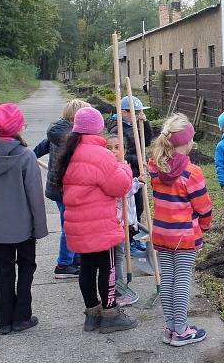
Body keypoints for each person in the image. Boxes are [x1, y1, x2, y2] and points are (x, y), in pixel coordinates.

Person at [56, 106, 138, 333]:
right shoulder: (101, 155)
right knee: (108, 267)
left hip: (78, 224)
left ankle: (92, 314)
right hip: (101, 225)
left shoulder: (69, 153)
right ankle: (110, 314)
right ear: (98, 130)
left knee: (87, 268)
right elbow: (120, 186)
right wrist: (124, 168)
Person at [0, 103, 48, 335]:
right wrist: (40, 228)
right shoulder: (26, 156)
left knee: (4, 271)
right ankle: (22, 316)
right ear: (21, 126)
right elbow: (35, 196)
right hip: (24, 228)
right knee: (26, 269)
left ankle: (4, 321)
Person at [147, 113, 212, 347]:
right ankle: (182, 330)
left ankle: (171, 329)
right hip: (184, 235)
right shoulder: (191, 172)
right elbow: (203, 207)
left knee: (168, 280)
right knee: (182, 281)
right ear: (188, 141)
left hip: (162, 233)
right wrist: (204, 226)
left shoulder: (154, 166)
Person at [32, 99, 90, 279]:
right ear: (77, 118)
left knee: (73, 224)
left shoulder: (55, 134)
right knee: (70, 227)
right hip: (66, 189)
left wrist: (26, 157)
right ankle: (64, 264)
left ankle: (75, 258)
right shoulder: (73, 138)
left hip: (58, 189)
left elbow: (34, 153)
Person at [109, 95, 152, 253]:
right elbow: (122, 155)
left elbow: (146, 141)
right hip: (128, 171)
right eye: (137, 112)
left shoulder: (134, 124)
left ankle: (134, 236)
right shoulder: (118, 129)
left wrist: (145, 124)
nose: (139, 114)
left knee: (138, 206)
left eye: (141, 112)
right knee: (128, 208)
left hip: (136, 171)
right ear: (125, 112)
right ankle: (129, 240)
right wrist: (138, 161)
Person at [104, 134, 141, 307]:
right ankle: (117, 290)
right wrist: (137, 183)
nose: (113, 151)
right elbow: (122, 191)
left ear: (124, 150)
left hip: (125, 219)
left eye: (117, 147)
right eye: (109, 148)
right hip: (116, 220)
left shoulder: (124, 165)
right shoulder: (112, 168)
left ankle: (117, 288)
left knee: (120, 255)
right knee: (118, 256)